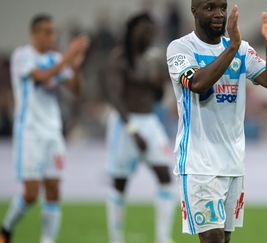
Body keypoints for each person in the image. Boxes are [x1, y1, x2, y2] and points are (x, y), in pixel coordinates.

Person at [166, 0, 267, 242]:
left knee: (224, 239)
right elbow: (197, 84)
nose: (219, 14)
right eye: (210, 8)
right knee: (213, 238)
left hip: (232, 162)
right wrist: (231, 48)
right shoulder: (180, 49)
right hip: (199, 162)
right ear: (194, 11)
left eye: (222, 7)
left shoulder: (241, 49)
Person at [0, 14, 89, 243]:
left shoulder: (57, 58)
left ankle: (47, 240)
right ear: (34, 34)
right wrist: (69, 56)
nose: (51, 36)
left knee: (53, 189)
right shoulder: (22, 56)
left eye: (53, 31)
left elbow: (77, 91)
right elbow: (41, 77)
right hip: (29, 132)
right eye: (47, 32)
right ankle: (6, 229)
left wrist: (75, 67)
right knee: (30, 193)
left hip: (53, 132)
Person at [105, 13, 176, 243]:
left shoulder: (154, 59)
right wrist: (133, 130)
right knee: (120, 182)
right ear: (132, 32)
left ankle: (163, 238)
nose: (149, 35)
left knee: (165, 175)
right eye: (144, 30)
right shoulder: (120, 58)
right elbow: (115, 96)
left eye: (151, 31)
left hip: (150, 120)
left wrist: (158, 84)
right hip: (125, 123)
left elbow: (157, 96)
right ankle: (116, 238)